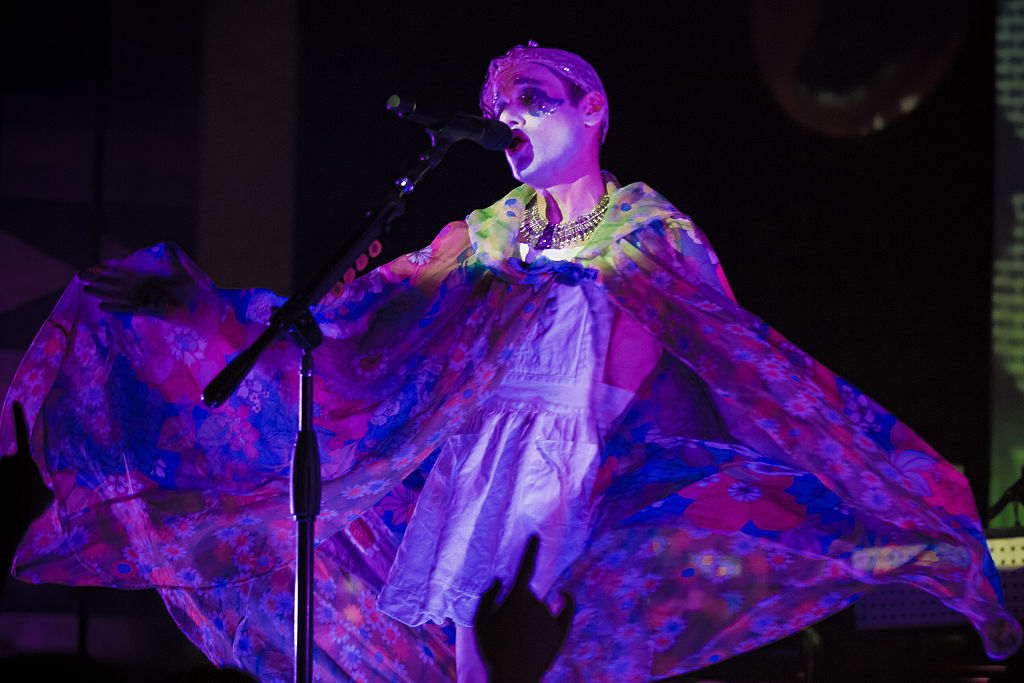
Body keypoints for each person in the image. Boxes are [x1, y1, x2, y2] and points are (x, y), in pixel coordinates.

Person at [2, 43, 1021, 682]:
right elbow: (353, 315)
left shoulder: (648, 229)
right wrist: (205, 309)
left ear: (592, 113)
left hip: (581, 475)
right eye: (500, 106)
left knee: (529, 659)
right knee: (470, 667)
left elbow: (735, 362)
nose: (511, 118)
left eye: (533, 97)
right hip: (471, 472)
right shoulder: (486, 231)